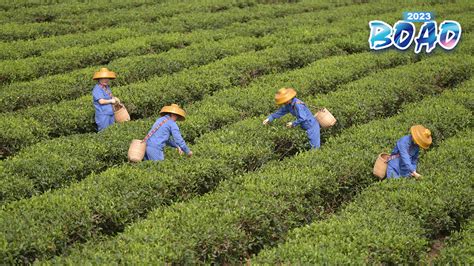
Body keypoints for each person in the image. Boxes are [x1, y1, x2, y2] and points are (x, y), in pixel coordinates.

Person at [92, 68, 120, 132]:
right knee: (103, 132)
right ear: (99, 79)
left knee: (112, 131)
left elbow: (110, 96)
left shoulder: (106, 87)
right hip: (103, 115)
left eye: (107, 78)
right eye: (104, 78)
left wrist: (115, 98)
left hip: (110, 113)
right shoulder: (97, 89)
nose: (106, 80)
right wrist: (111, 101)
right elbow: (101, 101)